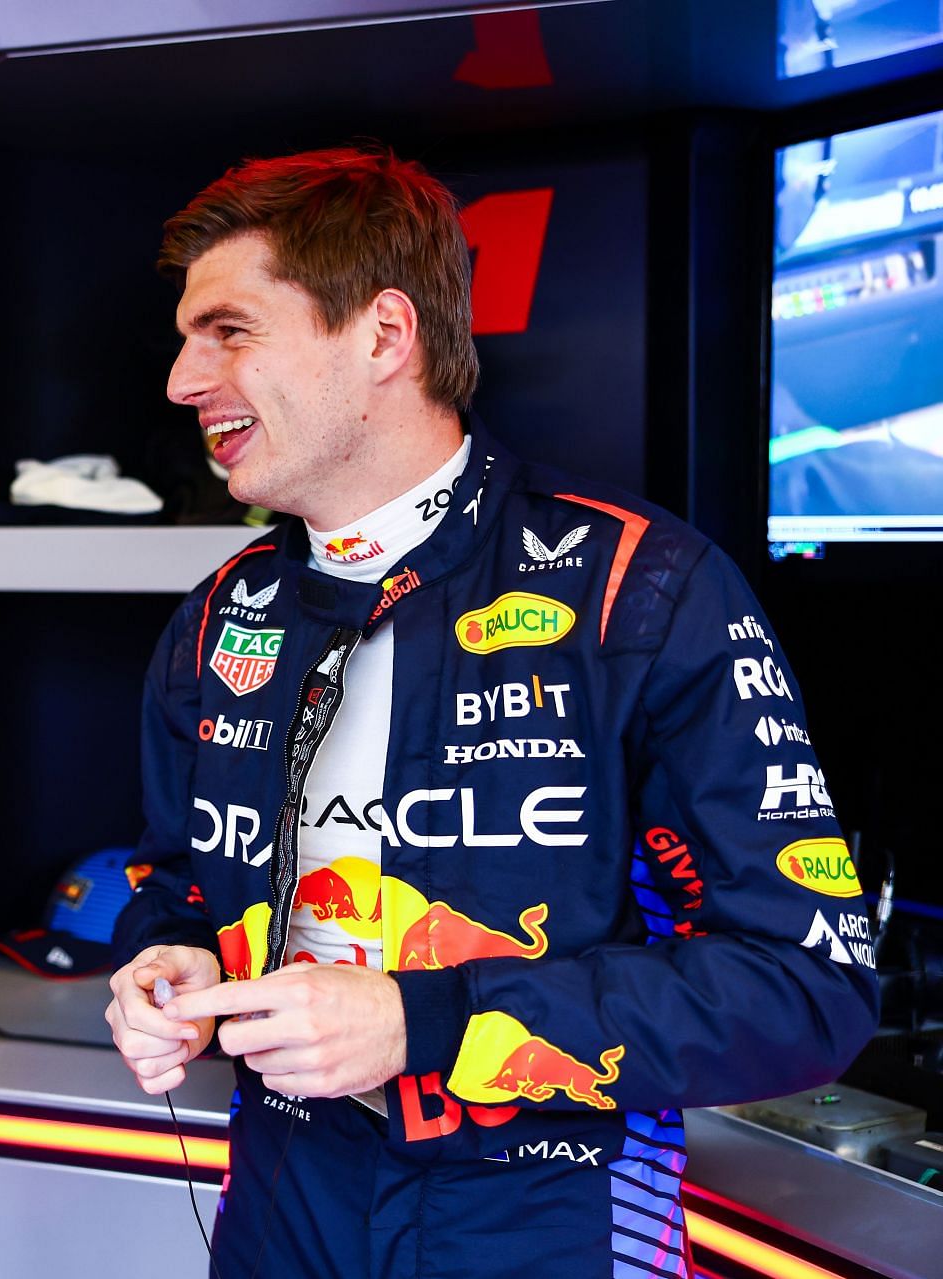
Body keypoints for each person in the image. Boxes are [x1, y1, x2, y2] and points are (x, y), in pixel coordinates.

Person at [104, 146, 878, 1277]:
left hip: (546, 1213)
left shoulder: (636, 590)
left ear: (382, 336)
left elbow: (809, 987)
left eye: (228, 331)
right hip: (282, 1195)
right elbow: (172, 880)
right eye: (187, 337)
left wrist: (428, 1021)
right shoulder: (226, 616)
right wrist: (163, 959)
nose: (180, 379)